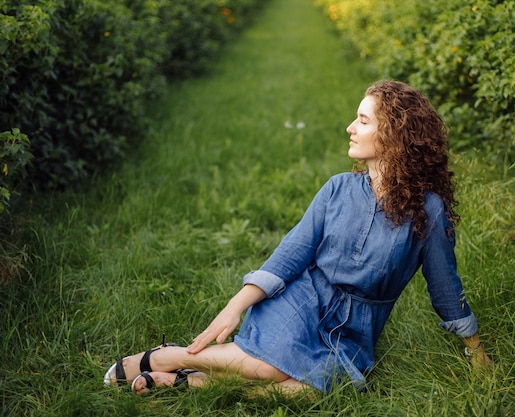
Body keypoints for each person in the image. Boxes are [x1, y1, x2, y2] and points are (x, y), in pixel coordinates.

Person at [104, 80, 491, 395]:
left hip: (356, 327)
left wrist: (474, 351)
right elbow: (293, 252)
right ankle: (171, 358)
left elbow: (444, 284)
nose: (350, 128)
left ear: (393, 135)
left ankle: (196, 384)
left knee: (323, 388)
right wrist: (235, 306)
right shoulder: (338, 189)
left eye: (362, 120)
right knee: (270, 368)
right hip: (303, 298)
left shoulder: (428, 210)